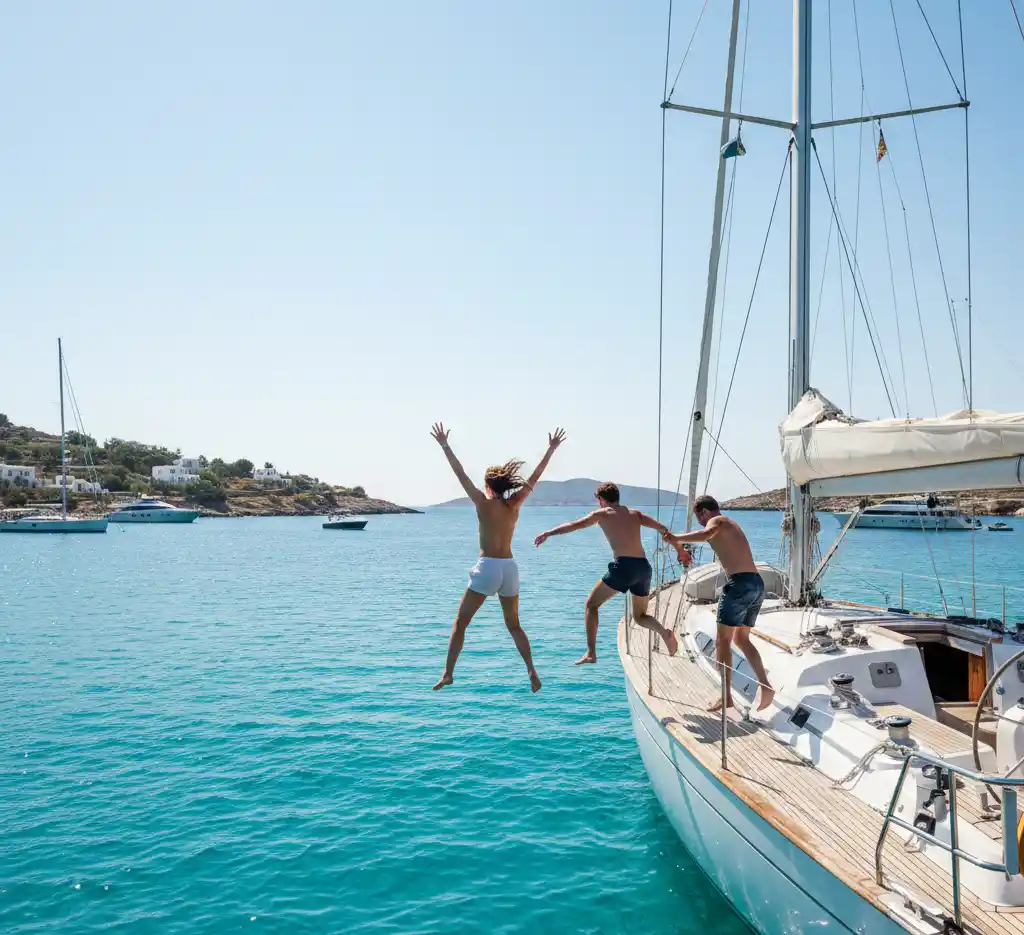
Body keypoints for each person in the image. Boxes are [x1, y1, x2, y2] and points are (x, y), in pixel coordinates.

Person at [430, 422, 566, 692]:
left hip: (489, 567)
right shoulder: (514, 504)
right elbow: (534, 479)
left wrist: (445, 445)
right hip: (510, 569)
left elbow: (460, 474)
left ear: (487, 485)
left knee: (461, 623)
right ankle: (531, 670)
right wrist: (551, 450)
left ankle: (448, 673)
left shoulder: (481, 502)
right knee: (514, 625)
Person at [533, 482, 686, 665]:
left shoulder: (603, 514)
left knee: (591, 604)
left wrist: (548, 533)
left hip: (624, 567)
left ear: (602, 500)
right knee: (640, 616)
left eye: (599, 500)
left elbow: (574, 525)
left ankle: (591, 652)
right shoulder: (635, 514)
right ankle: (665, 633)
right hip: (643, 568)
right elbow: (664, 530)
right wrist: (680, 550)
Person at [663, 494, 774, 712]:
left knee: (722, 642)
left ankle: (726, 697)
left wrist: (675, 536)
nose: (702, 522)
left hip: (739, 585)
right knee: (742, 640)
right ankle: (765, 685)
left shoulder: (717, 521)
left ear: (705, 512)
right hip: (756, 584)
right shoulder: (732, 524)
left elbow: (706, 533)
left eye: (700, 518)